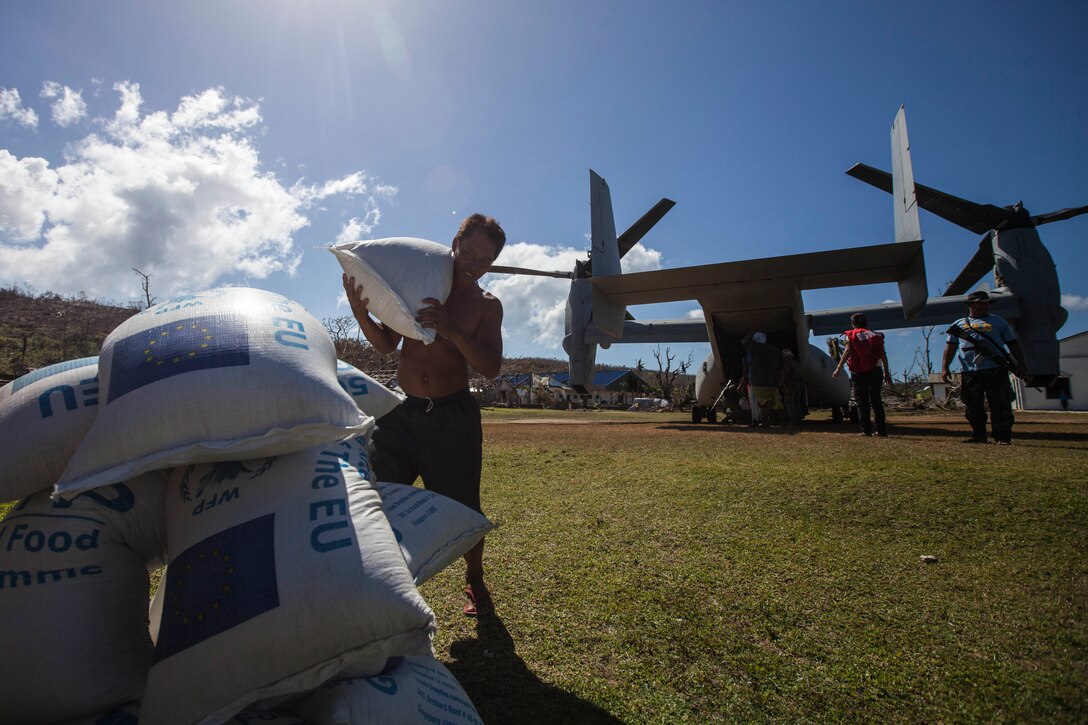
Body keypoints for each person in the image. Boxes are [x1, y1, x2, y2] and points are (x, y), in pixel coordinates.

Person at [342, 214, 505, 615]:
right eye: (468, 252)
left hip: (453, 417)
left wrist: (453, 332)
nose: (473, 263)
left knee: (462, 503)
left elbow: (490, 367)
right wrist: (358, 309)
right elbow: (384, 344)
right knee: (375, 492)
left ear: (493, 262)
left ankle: (475, 580)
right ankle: (378, 581)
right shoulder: (422, 285)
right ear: (454, 242)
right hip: (404, 412)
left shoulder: (487, 306)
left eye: (484, 260)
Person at [941, 290, 1030, 445]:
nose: (984, 306)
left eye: (986, 303)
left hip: (995, 368)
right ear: (971, 304)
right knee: (973, 405)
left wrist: (1021, 362)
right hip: (970, 371)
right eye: (980, 303)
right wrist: (945, 367)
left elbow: (1012, 343)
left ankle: (1002, 436)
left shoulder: (998, 322)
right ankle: (979, 435)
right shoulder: (959, 324)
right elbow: (950, 347)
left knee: (1000, 403)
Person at [832, 312, 892, 437]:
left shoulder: (851, 335)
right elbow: (883, 354)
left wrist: (838, 368)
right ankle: (881, 430)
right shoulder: (876, 335)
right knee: (876, 400)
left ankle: (866, 430)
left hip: (859, 371)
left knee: (862, 401)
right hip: (876, 369)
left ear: (853, 323)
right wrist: (887, 372)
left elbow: (848, 351)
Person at [739, 331, 782, 427]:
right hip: (771, 381)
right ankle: (780, 421)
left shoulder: (755, 348)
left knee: (758, 403)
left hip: (757, 381)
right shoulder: (775, 351)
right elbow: (780, 367)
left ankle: (757, 421)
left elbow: (744, 341)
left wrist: (752, 333)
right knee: (773, 403)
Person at [779, 348, 807, 428]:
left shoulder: (787, 364)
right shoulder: (797, 364)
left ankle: (792, 420)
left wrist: (784, 384)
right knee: (796, 402)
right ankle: (798, 419)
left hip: (790, 385)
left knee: (789, 403)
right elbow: (802, 375)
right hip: (798, 384)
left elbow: (785, 374)